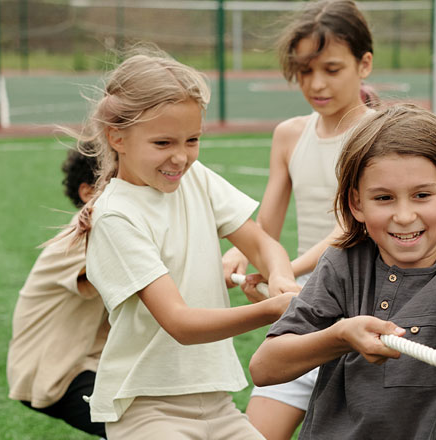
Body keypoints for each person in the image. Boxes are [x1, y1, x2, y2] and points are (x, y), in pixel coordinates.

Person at [59, 50, 301, 439]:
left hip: (218, 404)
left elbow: (262, 243)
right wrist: (274, 309)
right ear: (116, 136)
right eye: (163, 142)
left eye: (192, 140)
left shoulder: (196, 178)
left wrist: (282, 278)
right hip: (147, 411)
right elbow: (180, 323)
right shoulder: (115, 215)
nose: (181, 157)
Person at [248, 104, 436, 439]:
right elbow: (264, 367)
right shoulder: (342, 264)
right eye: (384, 198)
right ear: (357, 204)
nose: (403, 215)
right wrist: (340, 336)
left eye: (421, 195)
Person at [218, 1, 379, 436]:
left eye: (331, 68)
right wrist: (240, 251)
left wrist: (283, 269)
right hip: (307, 314)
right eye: (305, 71)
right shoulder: (289, 134)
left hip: (370, 315)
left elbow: (351, 228)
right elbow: (266, 220)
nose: (316, 84)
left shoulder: (381, 133)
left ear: (364, 64)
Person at [7, 148, 107, 437]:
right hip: (54, 372)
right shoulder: (79, 239)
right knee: (147, 426)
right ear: (88, 193)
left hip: (91, 362)